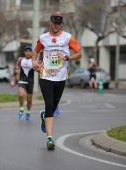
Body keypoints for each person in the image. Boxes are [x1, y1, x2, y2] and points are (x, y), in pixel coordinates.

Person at [32, 12, 82, 150]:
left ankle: (44, 116)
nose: (56, 25)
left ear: (61, 24)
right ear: (50, 22)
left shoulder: (68, 37)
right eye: (54, 22)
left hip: (61, 77)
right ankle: (49, 138)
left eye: (59, 23)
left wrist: (66, 57)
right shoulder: (43, 38)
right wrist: (34, 61)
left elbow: (79, 54)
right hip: (46, 76)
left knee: (53, 107)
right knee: (49, 104)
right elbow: (35, 51)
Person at [15, 46, 34, 120]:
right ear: (24, 52)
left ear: (31, 52)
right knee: (21, 95)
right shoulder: (21, 59)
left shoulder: (33, 60)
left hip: (30, 81)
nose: (28, 52)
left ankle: (28, 112)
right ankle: (21, 109)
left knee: (29, 100)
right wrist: (17, 63)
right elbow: (16, 67)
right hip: (22, 80)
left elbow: (38, 68)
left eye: (29, 51)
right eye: (26, 51)